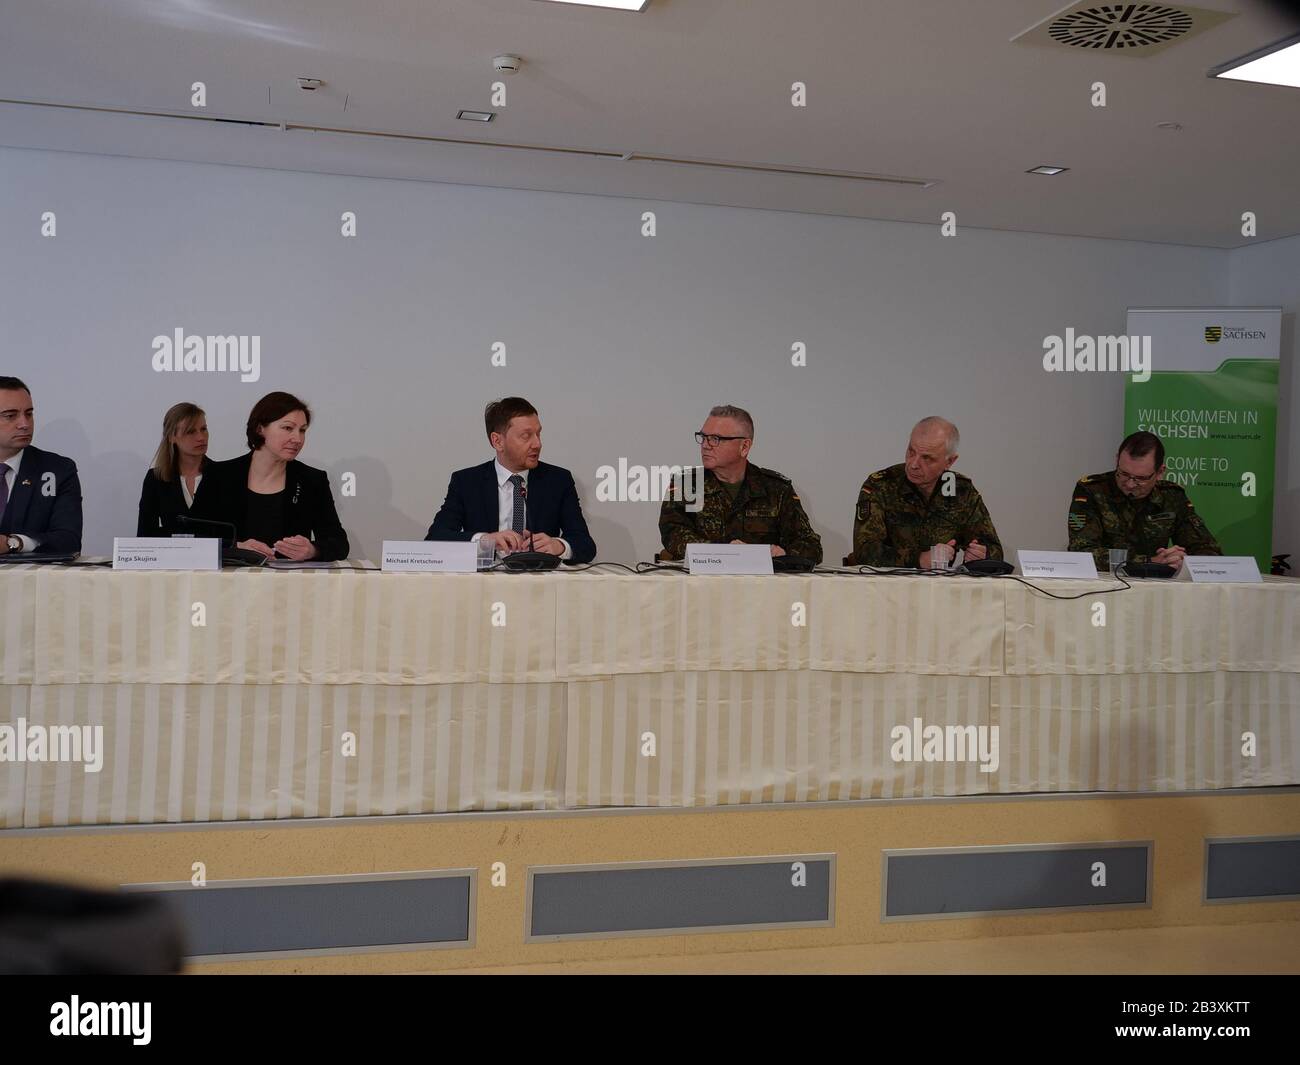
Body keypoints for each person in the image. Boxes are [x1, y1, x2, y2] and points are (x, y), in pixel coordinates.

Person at [426, 397, 596, 563]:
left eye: (538, 434)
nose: (537, 444)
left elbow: (585, 545)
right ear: (497, 441)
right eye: (526, 436)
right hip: (484, 583)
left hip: (539, 582)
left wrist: (558, 545)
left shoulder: (558, 480)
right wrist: (486, 540)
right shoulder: (466, 482)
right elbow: (435, 538)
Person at [194, 391, 348, 561]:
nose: (297, 438)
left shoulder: (312, 480)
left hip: (290, 583)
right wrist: (235, 546)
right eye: (288, 428)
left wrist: (312, 550)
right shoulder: (219, 475)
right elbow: (192, 537)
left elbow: (339, 544)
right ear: (260, 429)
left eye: (302, 430)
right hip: (228, 582)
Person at [658, 405, 822, 562]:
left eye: (715, 439)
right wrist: (727, 553)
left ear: (744, 446)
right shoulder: (686, 484)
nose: (705, 445)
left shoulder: (776, 489)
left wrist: (784, 553)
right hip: (704, 584)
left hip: (763, 586)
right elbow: (673, 535)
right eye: (703, 437)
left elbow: (810, 545)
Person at [848, 416, 1002, 569]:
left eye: (927, 458)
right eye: (911, 451)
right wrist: (919, 559)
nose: (913, 464)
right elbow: (865, 551)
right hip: (885, 586)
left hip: (938, 588)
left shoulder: (961, 491)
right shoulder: (881, 485)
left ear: (950, 461)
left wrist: (982, 555)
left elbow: (993, 549)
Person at [1068, 430, 1221, 573]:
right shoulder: (1092, 491)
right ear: (1117, 460)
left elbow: (1208, 550)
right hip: (1105, 585)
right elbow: (1081, 552)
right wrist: (1149, 561)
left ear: (1160, 472)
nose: (1129, 484)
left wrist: (1181, 560)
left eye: (1140, 478)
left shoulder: (1172, 496)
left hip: (1157, 587)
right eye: (1123, 474)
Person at [0, 376, 82, 556]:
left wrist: (14, 543)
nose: (24, 424)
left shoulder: (58, 470)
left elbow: (69, 540)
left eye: (29, 414)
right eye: (10, 416)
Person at [137, 402, 212, 536]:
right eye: (191, 432)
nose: (201, 437)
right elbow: (145, 535)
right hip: (169, 556)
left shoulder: (222, 475)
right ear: (172, 437)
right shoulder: (155, 478)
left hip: (218, 557)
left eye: (203, 429)